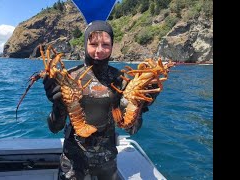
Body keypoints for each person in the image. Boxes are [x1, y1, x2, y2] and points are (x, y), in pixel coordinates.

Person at [42, 20, 159, 180]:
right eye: (93, 44)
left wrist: (142, 106)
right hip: (72, 165)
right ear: (85, 45)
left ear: (112, 47)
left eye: (105, 44)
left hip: (107, 164)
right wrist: (57, 104)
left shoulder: (121, 80)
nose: (99, 50)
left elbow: (132, 129)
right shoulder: (69, 76)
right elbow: (55, 127)